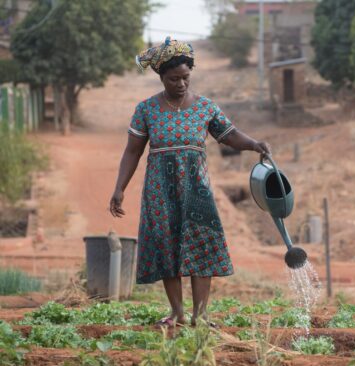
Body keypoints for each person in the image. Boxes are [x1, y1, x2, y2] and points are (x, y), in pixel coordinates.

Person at [109, 37, 270, 327]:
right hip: (160, 192)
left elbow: (230, 135)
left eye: (185, 77)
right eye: (174, 79)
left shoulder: (205, 107)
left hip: (197, 190)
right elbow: (132, 151)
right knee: (167, 248)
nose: (181, 84)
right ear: (161, 78)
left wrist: (255, 144)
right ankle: (177, 313)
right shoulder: (146, 109)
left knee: (202, 247)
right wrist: (119, 188)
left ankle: (201, 314)